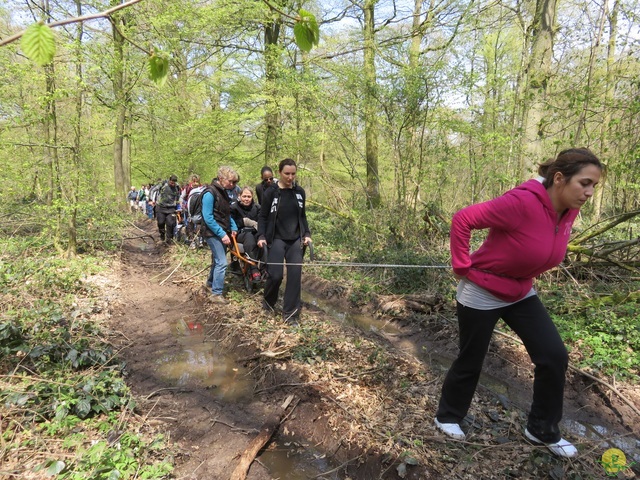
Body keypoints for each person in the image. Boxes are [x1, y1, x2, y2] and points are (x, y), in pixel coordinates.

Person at [434, 148, 603, 458]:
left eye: (594, 185)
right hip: (482, 290)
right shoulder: (520, 203)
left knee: (553, 356)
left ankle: (541, 430)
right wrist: (461, 263)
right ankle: (447, 416)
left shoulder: (569, 206)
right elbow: (463, 219)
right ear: (560, 179)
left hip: (521, 290)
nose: (590, 192)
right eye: (585, 183)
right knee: (471, 358)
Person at [257, 158, 311, 324]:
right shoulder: (271, 192)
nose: (290, 177)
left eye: (293, 174)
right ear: (280, 173)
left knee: (294, 276)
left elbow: (302, 216)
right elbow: (263, 216)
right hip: (276, 239)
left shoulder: (299, 192)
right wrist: (261, 236)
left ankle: (290, 314)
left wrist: (307, 233)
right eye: (287, 173)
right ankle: (268, 301)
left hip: (295, 240)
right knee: (275, 275)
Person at [202, 166, 239, 303]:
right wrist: (222, 234)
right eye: (231, 181)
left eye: (234, 182)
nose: (233, 185)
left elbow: (226, 214)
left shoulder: (224, 193)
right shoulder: (209, 193)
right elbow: (208, 217)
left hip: (222, 231)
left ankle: (210, 285)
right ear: (221, 179)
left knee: (217, 261)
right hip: (212, 233)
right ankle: (216, 294)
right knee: (222, 262)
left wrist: (233, 227)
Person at [231, 186, 261, 283]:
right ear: (239, 196)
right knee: (249, 237)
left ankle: (265, 269)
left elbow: (262, 222)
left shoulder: (257, 208)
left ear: (252, 197)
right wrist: (244, 222)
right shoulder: (234, 207)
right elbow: (231, 222)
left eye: (249, 196)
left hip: (255, 232)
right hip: (240, 234)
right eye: (244, 196)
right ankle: (254, 269)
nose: (246, 199)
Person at [155, 175, 181, 243]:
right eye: (172, 182)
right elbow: (153, 189)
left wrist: (178, 206)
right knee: (161, 222)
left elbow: (178, 197)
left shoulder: (177, 187)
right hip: (161, 206)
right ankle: (162, 235)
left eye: (174, 182)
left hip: (171, 207)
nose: (173, 184)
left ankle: (169, 239)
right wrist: (151, 199)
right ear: (169, 180)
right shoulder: (163, 183)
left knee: (171, 223)